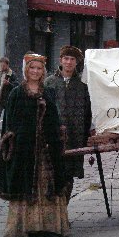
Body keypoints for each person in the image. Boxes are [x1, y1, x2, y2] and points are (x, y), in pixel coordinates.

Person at [0, 53, 70, 237]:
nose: (35, 72)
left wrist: (56, 140)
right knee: (25, 185)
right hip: (24, 150)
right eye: (32, 68)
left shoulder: (48, 92)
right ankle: (24, 228)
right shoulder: (16, 94)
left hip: (46, 151)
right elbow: (9, 125)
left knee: (47, 186)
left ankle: (48, 226)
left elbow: (55, 120)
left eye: (39, 69)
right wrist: (12, 145)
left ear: (43, 71)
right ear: (26, 70)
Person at [44, 45, 92, 204]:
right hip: (54, 137)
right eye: (66, 58)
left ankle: (63, 209)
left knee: (69, 175)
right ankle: (52, 211)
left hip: (75, 136)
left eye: (72, 59)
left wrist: (88, 133)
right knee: (52, 173)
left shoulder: (83, 84)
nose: (69, 62)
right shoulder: (50, 82)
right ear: (60, 60)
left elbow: (88, 111)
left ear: (77, 62)